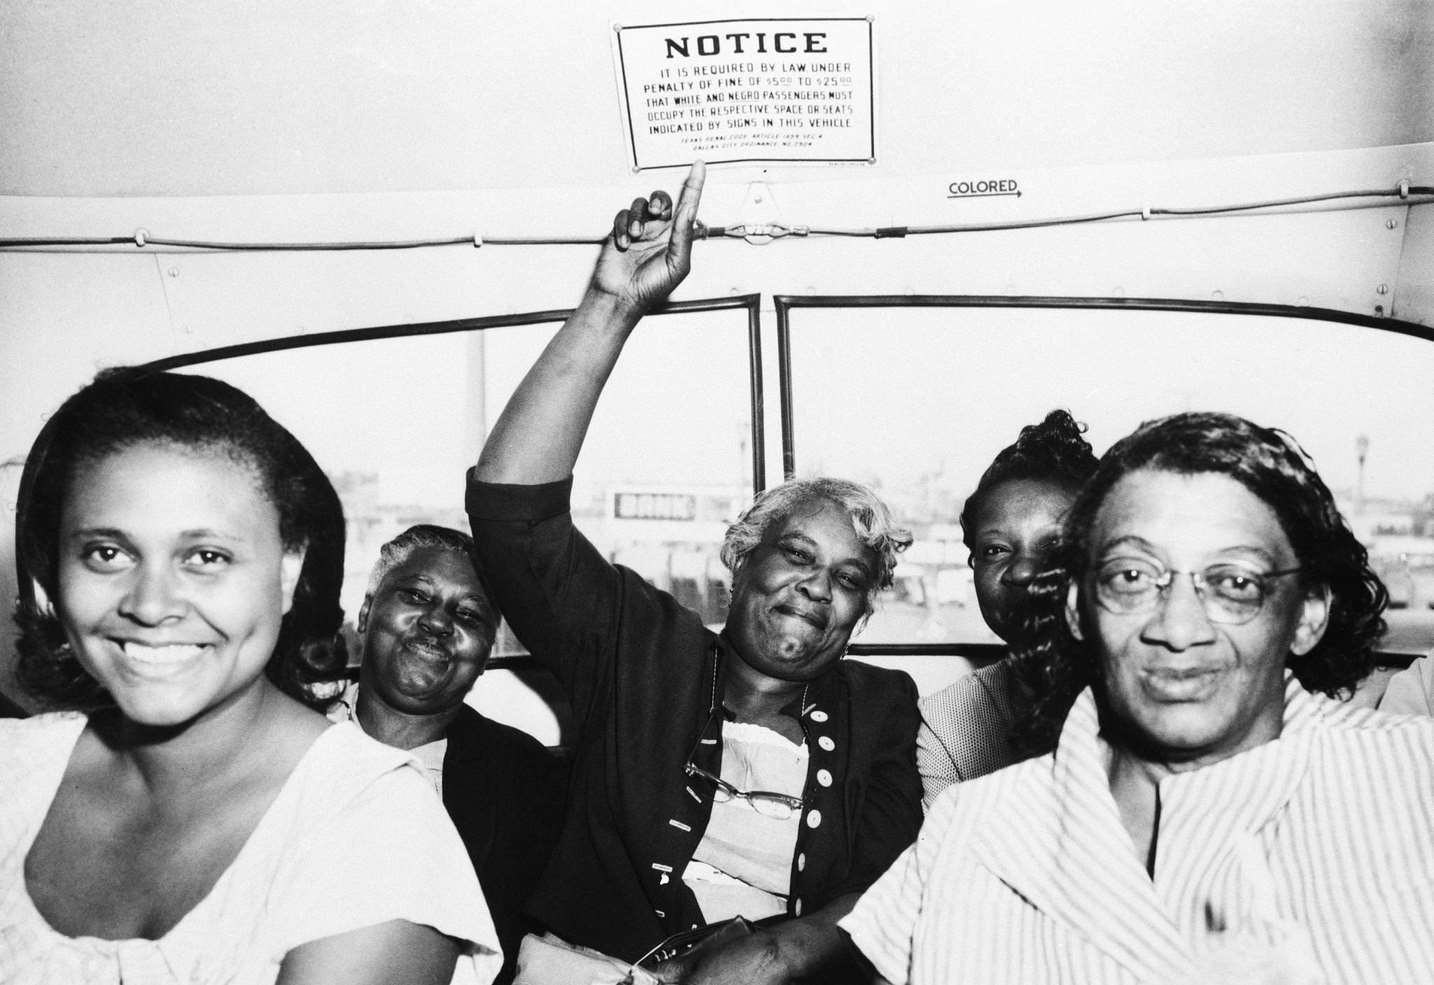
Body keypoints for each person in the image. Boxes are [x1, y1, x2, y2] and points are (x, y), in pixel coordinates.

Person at [468, 161, 923, 985]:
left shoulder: (880, 707)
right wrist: (611, 306)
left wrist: (775, 952)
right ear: (741, 559)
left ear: (861, 611)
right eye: (795, 554)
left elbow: (893, 888)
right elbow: (512, 516)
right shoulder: (638, 647)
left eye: (849, 578)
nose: (818, 586)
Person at [842, 411, 1434, 985]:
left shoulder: (1415, 780)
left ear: (1307, 615)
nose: (1177, 628)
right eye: (1131, 577)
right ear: (1077, 609)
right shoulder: (969, 829)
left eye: (1234, 583)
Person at [1, 369, 500, 985]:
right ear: (55, 579)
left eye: (206, 557)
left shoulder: (378, 832)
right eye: (109, 552)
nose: (152, 605)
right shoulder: (14, 768)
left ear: (289, 571)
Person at [329, 524, 567, 985]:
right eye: (417, 596)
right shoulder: (279, 738)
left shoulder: (529, 782)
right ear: (365, 612)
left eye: (470, 615)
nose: (438, 622)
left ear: (485, 656)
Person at [916, 409, 1098, 806]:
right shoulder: (951, 718)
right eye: (996, 549)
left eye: (1054, 545)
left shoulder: (1154, 686)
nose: (1023, 571)